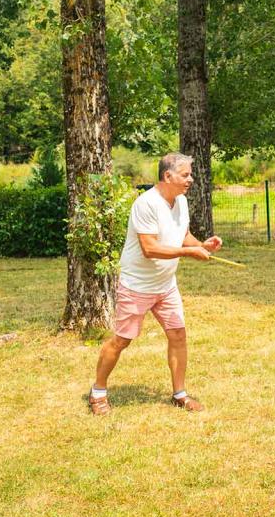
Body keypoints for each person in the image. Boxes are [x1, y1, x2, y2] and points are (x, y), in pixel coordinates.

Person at [88, 152, 222, 415]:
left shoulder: (180, 201)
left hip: (165, 285)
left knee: (178, 334)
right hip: (137, 285)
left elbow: (182, 235)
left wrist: (201, 245)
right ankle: (98, 392)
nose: (190, 180)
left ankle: (180, 394)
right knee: (122, 341)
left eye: (190, 175)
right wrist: (188, 253)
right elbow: (149, 248)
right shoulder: (146, 203)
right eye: (185, 175)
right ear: (167, 176)